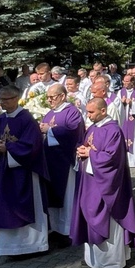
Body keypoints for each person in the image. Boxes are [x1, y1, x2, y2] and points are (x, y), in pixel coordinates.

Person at [71, 98, 135, 268]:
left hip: (108, 187)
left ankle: (112, 263)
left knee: (108, 222)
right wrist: (81, 151)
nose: (88, 115)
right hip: (90, 184)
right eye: (87, 112)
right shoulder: (93, 128)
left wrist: (90, 154)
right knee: (89, 217)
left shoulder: (113, 131)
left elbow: (112, 160)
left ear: (103, 111)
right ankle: (93, 260)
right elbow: (87, 148)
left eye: (91, 112)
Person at [0, 85, 50, 257]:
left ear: (16, 99)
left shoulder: (26, 119)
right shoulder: (1, 119)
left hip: (25, 172)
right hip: (6, 171)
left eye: (6, 99)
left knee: (29, 206)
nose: (2, 102)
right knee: (6, 205)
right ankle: (11, 248)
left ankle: (33, 246)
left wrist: (8, 148)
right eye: (1, 99)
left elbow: (32, 146)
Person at [39, 84, 85, 241]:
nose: (49, 100)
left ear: (63, 96)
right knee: (53, 196)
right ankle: (56, 229)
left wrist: (50, 130)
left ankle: (68, 231)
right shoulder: (49, 113)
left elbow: (73, 132)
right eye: (48, 97)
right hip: (50, 162)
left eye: (53, 97)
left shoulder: (72, 112)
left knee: (66, 197)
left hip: (65, 162)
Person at [117, 74, 135, 168]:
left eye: (127, 81)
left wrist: (131, 103)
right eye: (124, 81)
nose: (125, 83)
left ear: (132, 82)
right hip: (124, 120)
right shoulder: (120, 92)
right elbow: (116, 106)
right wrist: (121, 103)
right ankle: (125, 161)